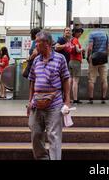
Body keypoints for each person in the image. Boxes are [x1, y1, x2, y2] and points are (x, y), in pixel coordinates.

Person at [27, 31, 71, 160]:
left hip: (55, 103)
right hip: (36, 103)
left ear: (46, 44)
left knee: (54, 136)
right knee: (35, 133)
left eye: (37, 42)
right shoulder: (36, 60)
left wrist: (67, 101)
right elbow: (32, 81)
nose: (35, 45)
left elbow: (66, 79)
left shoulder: (60, 58)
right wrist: (30, 101)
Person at [86, 25, 109, 104]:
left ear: (93, 26)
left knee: (91, 80)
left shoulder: (92, 34)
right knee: (104, 80)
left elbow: (90, 47)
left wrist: (89, 56)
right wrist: (106, 56)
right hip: (103, 59)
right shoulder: (105, 34)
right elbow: (108, 48)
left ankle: (91, 99)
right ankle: (103, 98)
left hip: (94, 59)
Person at [69, 28, 84, 104]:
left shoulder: (71, 40)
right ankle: (75, 99)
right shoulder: (75, 40)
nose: (81, 34)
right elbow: (78, 50)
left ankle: (68, 97)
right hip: (76, 62)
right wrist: (82, 49)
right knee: (75, 81)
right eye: (80, 32)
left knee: (71, 80)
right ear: (76, 33)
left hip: (71, 61)